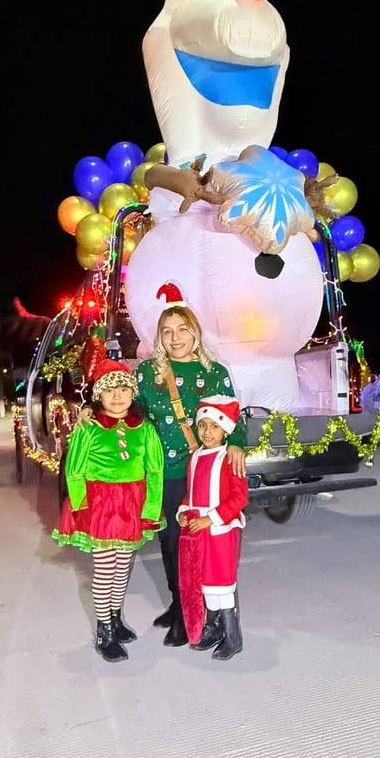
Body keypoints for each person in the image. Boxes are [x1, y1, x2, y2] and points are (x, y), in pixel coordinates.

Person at [135, 284, 247, 647]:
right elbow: (130, 412)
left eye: (182, 329)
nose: (175, 337)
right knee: (170, 543)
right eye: (167, 331)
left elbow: (234, 414)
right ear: (159, 337)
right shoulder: (148, 374)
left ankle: (193, 614)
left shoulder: (213, 372)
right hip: (165, 473)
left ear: (195, 332)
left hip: (204, 473)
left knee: (200, 545)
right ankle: (180, 603)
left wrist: (238, 447)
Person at [52, 360, 165, 663]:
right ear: (99, 395)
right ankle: (104, 630)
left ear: (133, 393)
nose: (117, 396)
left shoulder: (145, 429)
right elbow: (74, 471)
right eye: (110, 389)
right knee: (105, 568)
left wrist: (151, 507)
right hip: (100, 506)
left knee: (122, 565)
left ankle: (115, 618)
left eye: (124, 389)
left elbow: (155, 470)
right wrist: (81, 507)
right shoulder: (88, 428)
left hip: (131, 505)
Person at [177, 396, 249, 660]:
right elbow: (190, 495)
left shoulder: (230, 458)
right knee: (205, 581)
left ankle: (232, 635)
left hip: (221, 531)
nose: (207, 432)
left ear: (226, 429)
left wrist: (211, 518)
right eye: (203, 425)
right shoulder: (195, 457)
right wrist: (184, 512)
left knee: (222, 582)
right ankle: (213, 627)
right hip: (199, 532)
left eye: (214, 426)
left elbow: (239, 498)